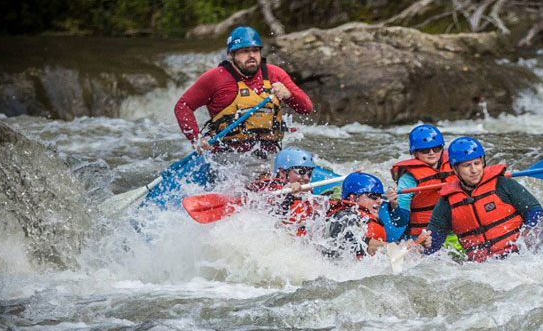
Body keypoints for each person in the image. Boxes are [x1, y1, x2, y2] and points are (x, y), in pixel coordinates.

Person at [174, 26, 313, 163]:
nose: (251, 55)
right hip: (228, 159)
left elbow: (306, 108)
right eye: (245, 51)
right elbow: (183, 105)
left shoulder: (275, 74)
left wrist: (289, 95)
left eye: (255, 50)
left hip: (269, 155)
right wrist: (196, 138)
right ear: (231, 55)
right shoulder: (215, 78)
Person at [424, 137, 543, 262]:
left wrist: (528, 236)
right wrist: (424, 245)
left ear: (483, 162)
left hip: (518, 256)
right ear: (455, 169)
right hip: (481, 267)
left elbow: (535, 211)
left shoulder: (503, 185)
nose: (474, 170)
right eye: (467, 166)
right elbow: (433, 245)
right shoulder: (446, 203)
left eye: (477, 163)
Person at [325, 172, 430, 259]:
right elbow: (352, 242)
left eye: (380, 196)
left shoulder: (363, 219)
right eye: (373, 196)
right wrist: (394, 249)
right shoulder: (343, 216)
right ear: (352, 198)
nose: (379, 201)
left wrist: (417, 247)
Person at [389, 124, 456, 240]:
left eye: (436, 148)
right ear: (414, 153)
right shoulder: (408, 179)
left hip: (456, 232)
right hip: (425, 236)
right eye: (425, 150)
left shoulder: (456, 167)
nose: (432, 153)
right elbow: (401, 222)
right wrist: (394, 205)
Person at [246, 147, 326, 235]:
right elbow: (271, 214)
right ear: (283, 172)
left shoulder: (308, 194)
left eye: (309, 173)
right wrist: (288, 193)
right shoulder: (270, 190)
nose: (307, 178)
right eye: (301, 172)